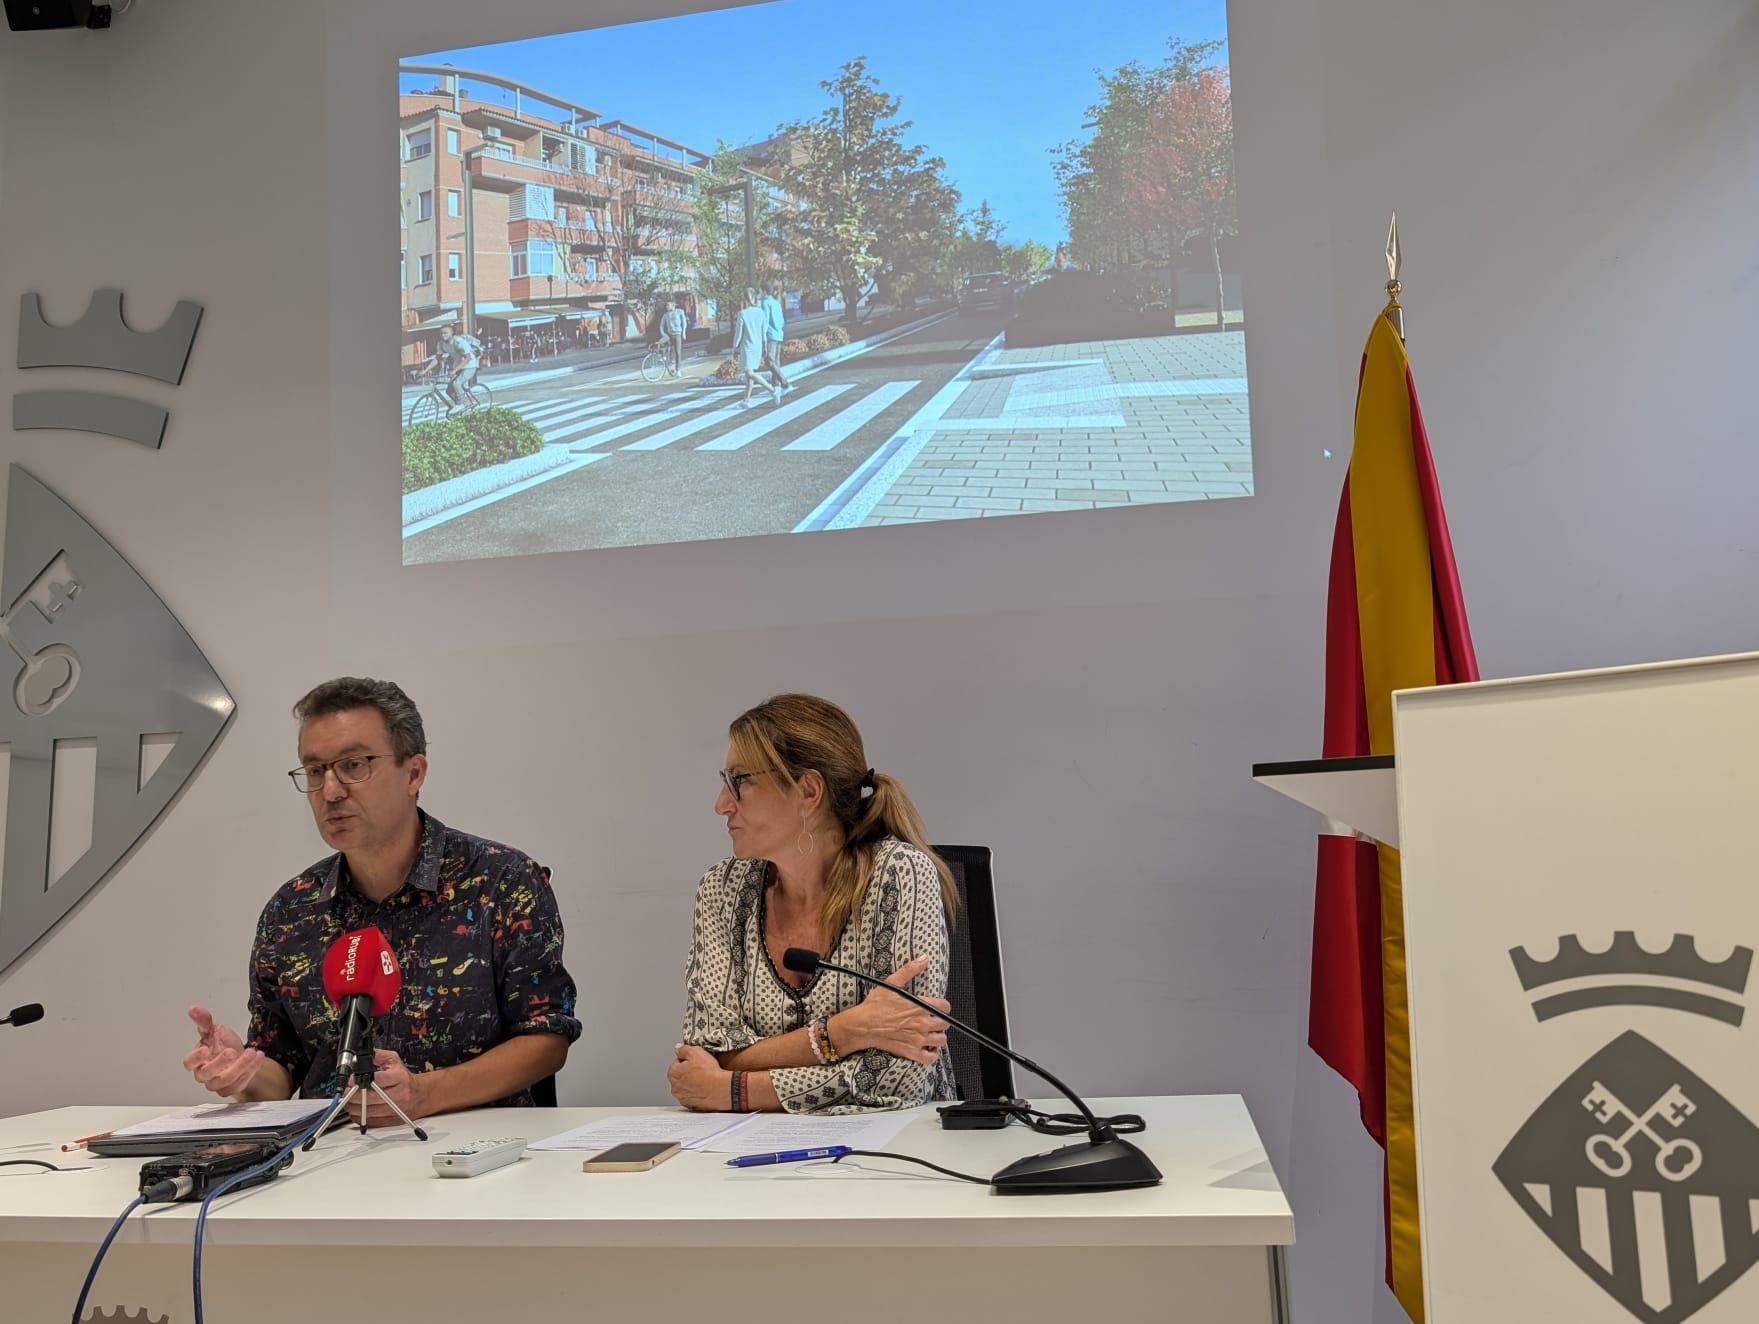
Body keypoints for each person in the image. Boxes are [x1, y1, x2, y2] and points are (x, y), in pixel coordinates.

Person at [182, 677, 581, 1122]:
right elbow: (281, 1068)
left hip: (472, 1157)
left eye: (354, 765)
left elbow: (546, 1039)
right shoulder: (291, 910)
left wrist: (423, 1094)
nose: (330, 791)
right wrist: (242, 1073)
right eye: (315, 771)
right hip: (331, 1158)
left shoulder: (501, 881)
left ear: (413, 774)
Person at [669, 694, 959, 1115]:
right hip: (747, 1149)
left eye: (740, 781)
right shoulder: (723, 887)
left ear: (808, 791)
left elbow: (899, 1077)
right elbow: (711, 1054)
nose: (721, 803)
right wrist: (844, 1033)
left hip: (899, 1149)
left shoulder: (899, 875)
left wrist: (734, 1091)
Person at [423, 323, 482, 415]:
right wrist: (425, 370)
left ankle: (460, 404)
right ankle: (462, 406)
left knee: (456, 383)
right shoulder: (441, 344)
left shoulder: (459, 342)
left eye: (446, 333)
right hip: (458, 366)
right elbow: (437, 358)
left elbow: (468, 358)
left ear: (452, 333)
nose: (443, 335)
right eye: (441, 333)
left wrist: (454, 371)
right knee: (449, 391)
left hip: (470, 365)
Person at [731, 288, 773, 409]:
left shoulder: (743, 314)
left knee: (749, 372)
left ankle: (771, 389)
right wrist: (765, 344)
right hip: (758, 345)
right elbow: (763, 330)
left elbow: (738, 333)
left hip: (747, 346)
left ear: (744, 299)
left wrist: (734, 346)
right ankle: (746, 400)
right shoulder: (760, 312)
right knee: (750, 373)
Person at [759, 283, 791, 402]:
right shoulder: (776, 303)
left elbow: (765, 321)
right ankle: (776, 388)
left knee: (770, 361)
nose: (758, 294)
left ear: (764, 292)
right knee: (776, 362)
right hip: (779, 334)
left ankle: (785, 384)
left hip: (770, 335)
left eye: (760, 291)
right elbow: (782, 320)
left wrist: (763, 337)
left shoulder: (765, 303)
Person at [659, 300, 688, 375]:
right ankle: (662, 356)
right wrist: (663, 334)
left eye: (668, 305)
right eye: (666, 305)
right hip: (669, 334)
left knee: (677, 352)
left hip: (677, 334)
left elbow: (684, 322)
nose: (666, 307)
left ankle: (678, 369)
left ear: (673, 305)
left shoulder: (679, 312)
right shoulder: (666, 315)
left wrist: (683, 333)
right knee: (660, 342)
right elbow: (661, 325)